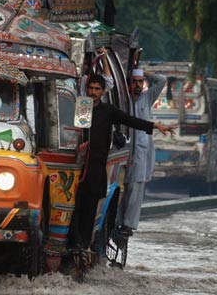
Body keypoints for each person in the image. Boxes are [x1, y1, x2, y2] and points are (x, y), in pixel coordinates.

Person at [69, 74, 173, 257]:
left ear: (102, 91)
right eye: (91, 88)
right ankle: (76, 244)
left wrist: (155, 126)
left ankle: (85, 245)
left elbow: (131, 121)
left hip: (97, 167)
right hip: (80, 166)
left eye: (97, 89)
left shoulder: (108, 111)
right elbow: (77, 132)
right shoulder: (82, 108)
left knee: (91, 208)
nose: (93, 92)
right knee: (76, 207)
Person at [116, 68, 168, 236]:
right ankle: (116, 221)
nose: (137, 85)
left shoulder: (147, 98)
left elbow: (161, 80)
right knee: (120, 188)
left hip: (141, 152)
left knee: (136, 187)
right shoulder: (122, 100)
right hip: (123, 150)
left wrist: (144, 72)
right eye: (134, 81)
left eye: (140, 82)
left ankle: (128, 225)